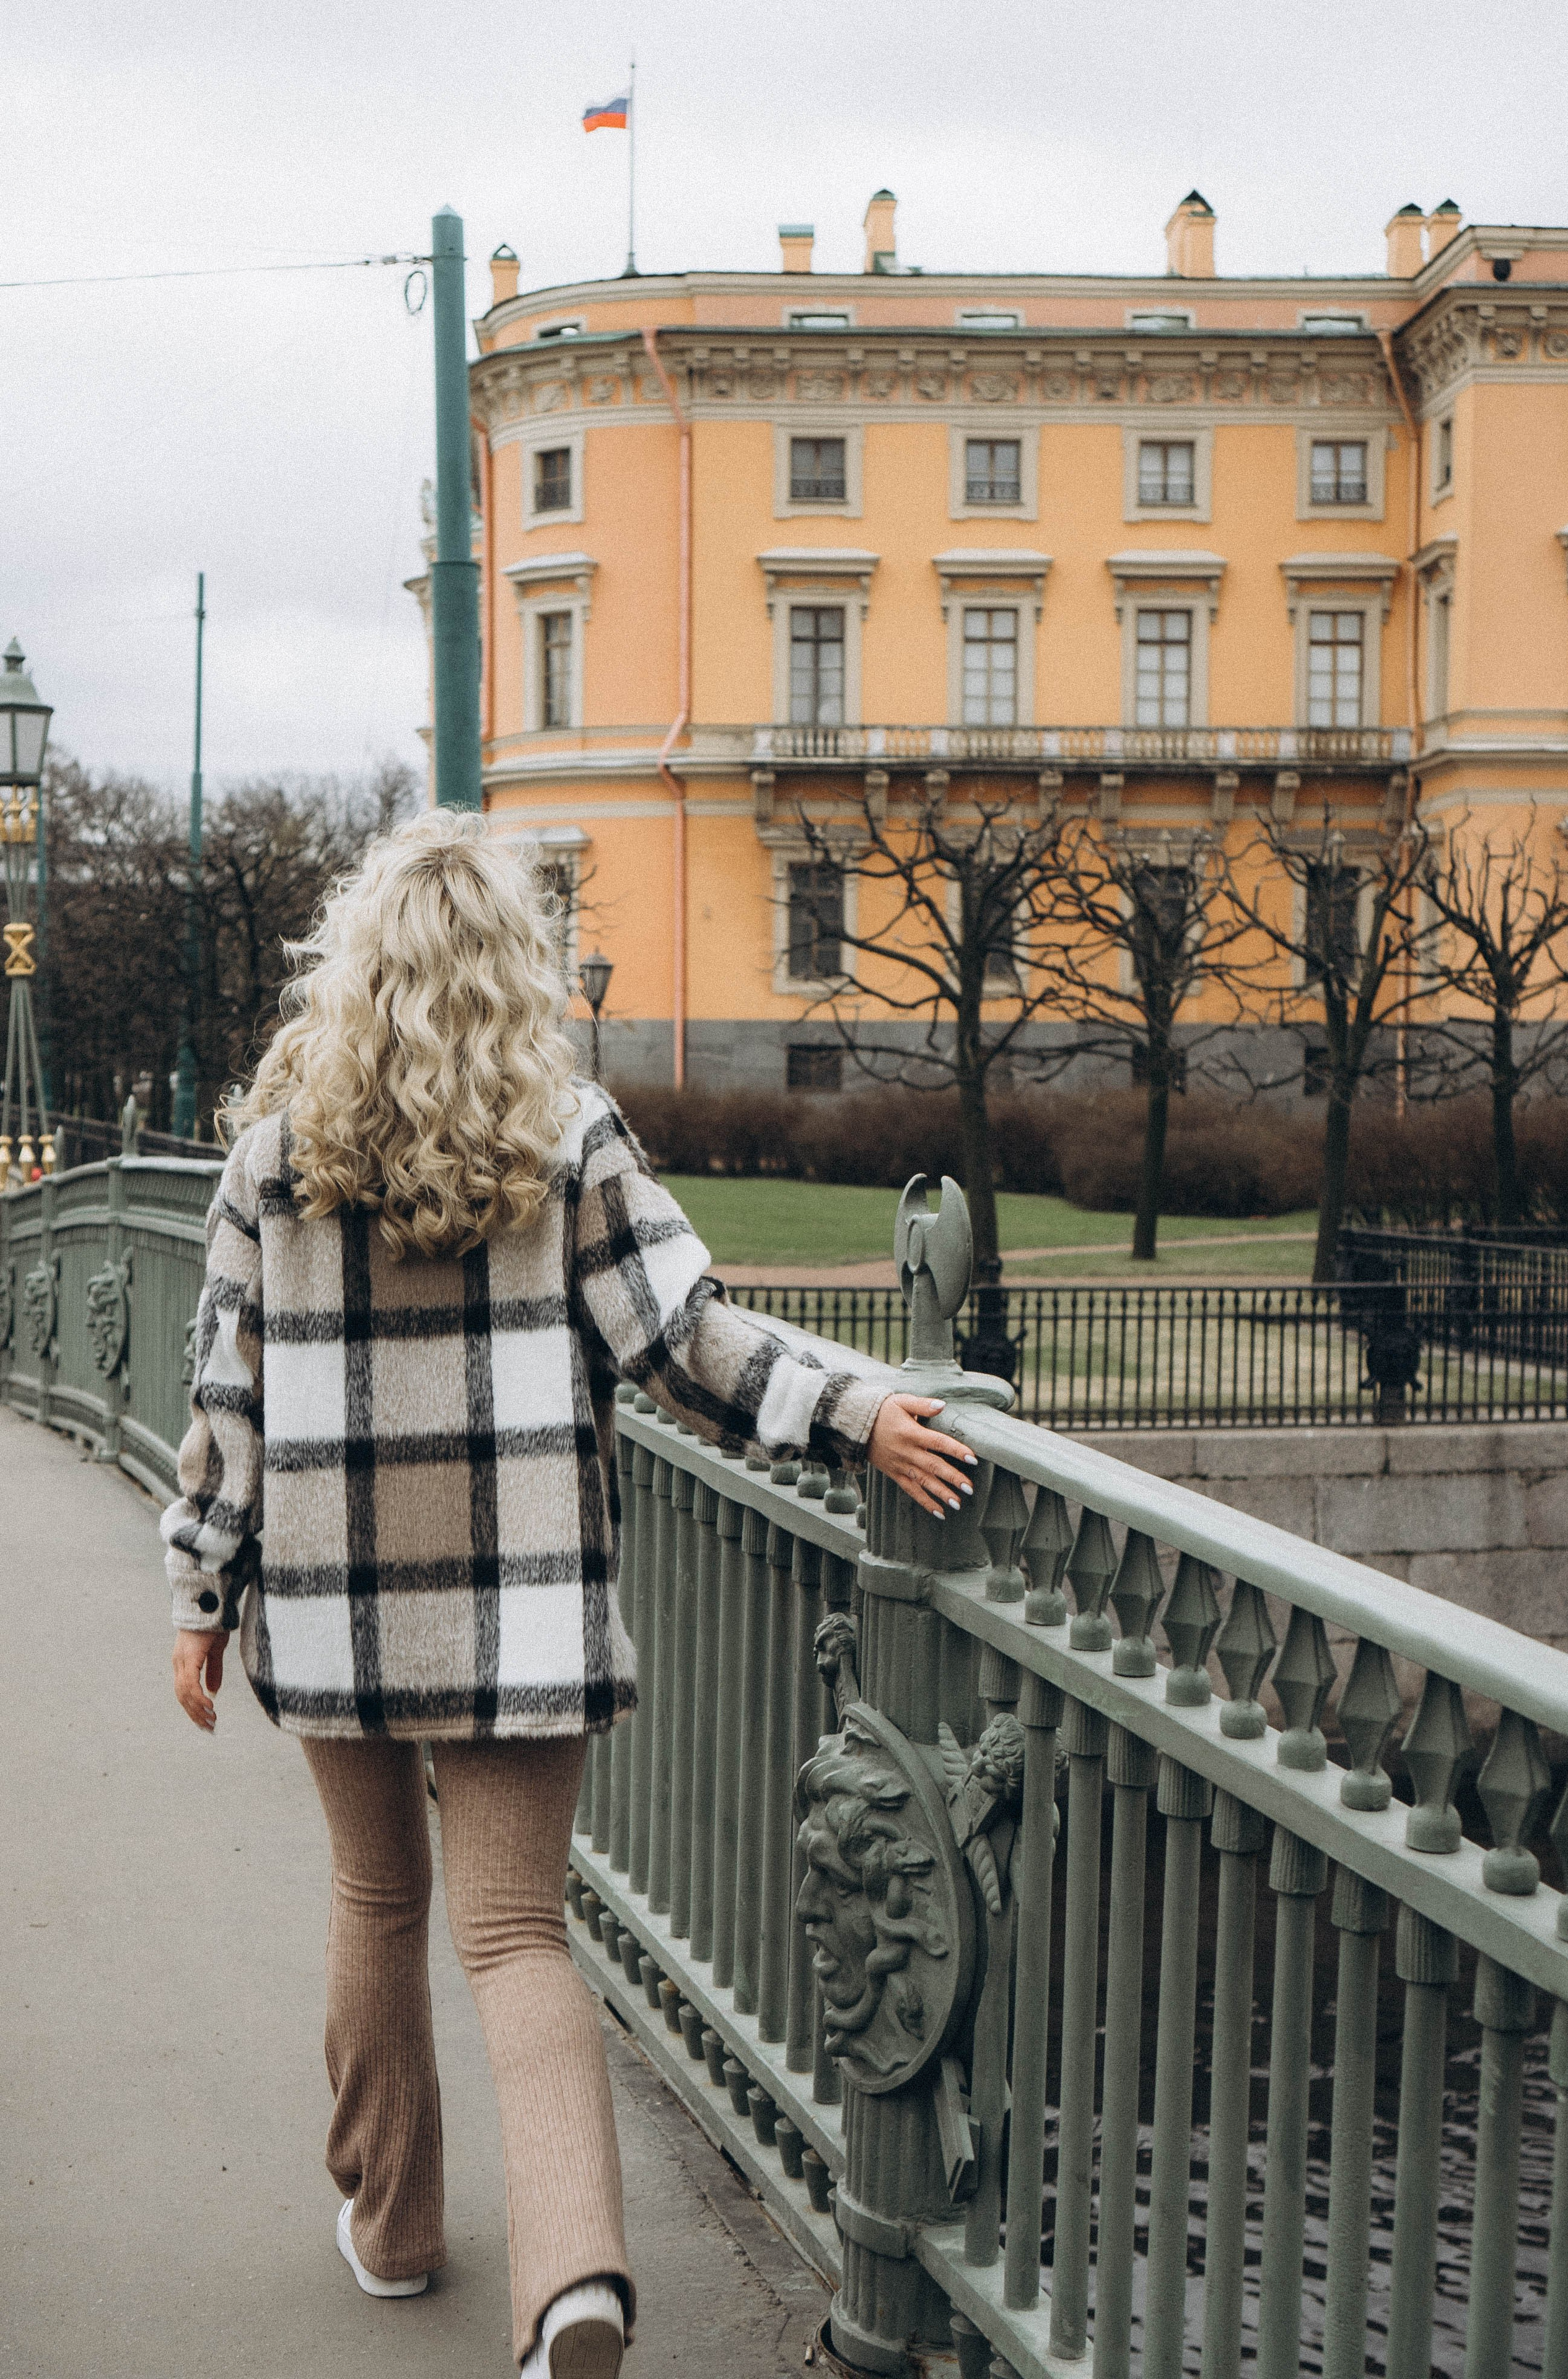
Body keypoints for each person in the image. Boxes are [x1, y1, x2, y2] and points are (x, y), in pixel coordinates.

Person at [162, 809, 976, 2379]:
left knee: (374, 1903)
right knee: (519, 1937)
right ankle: (574, 2293)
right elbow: (690, 1343)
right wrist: (858, 1408)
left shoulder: (271, 1162)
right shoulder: (570, 1136)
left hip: (333, 1612)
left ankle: (393, 2232)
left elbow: (226, 1405)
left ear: (354, 971)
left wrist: (201, 1596)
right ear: (513, 973)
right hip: (522, 1608)